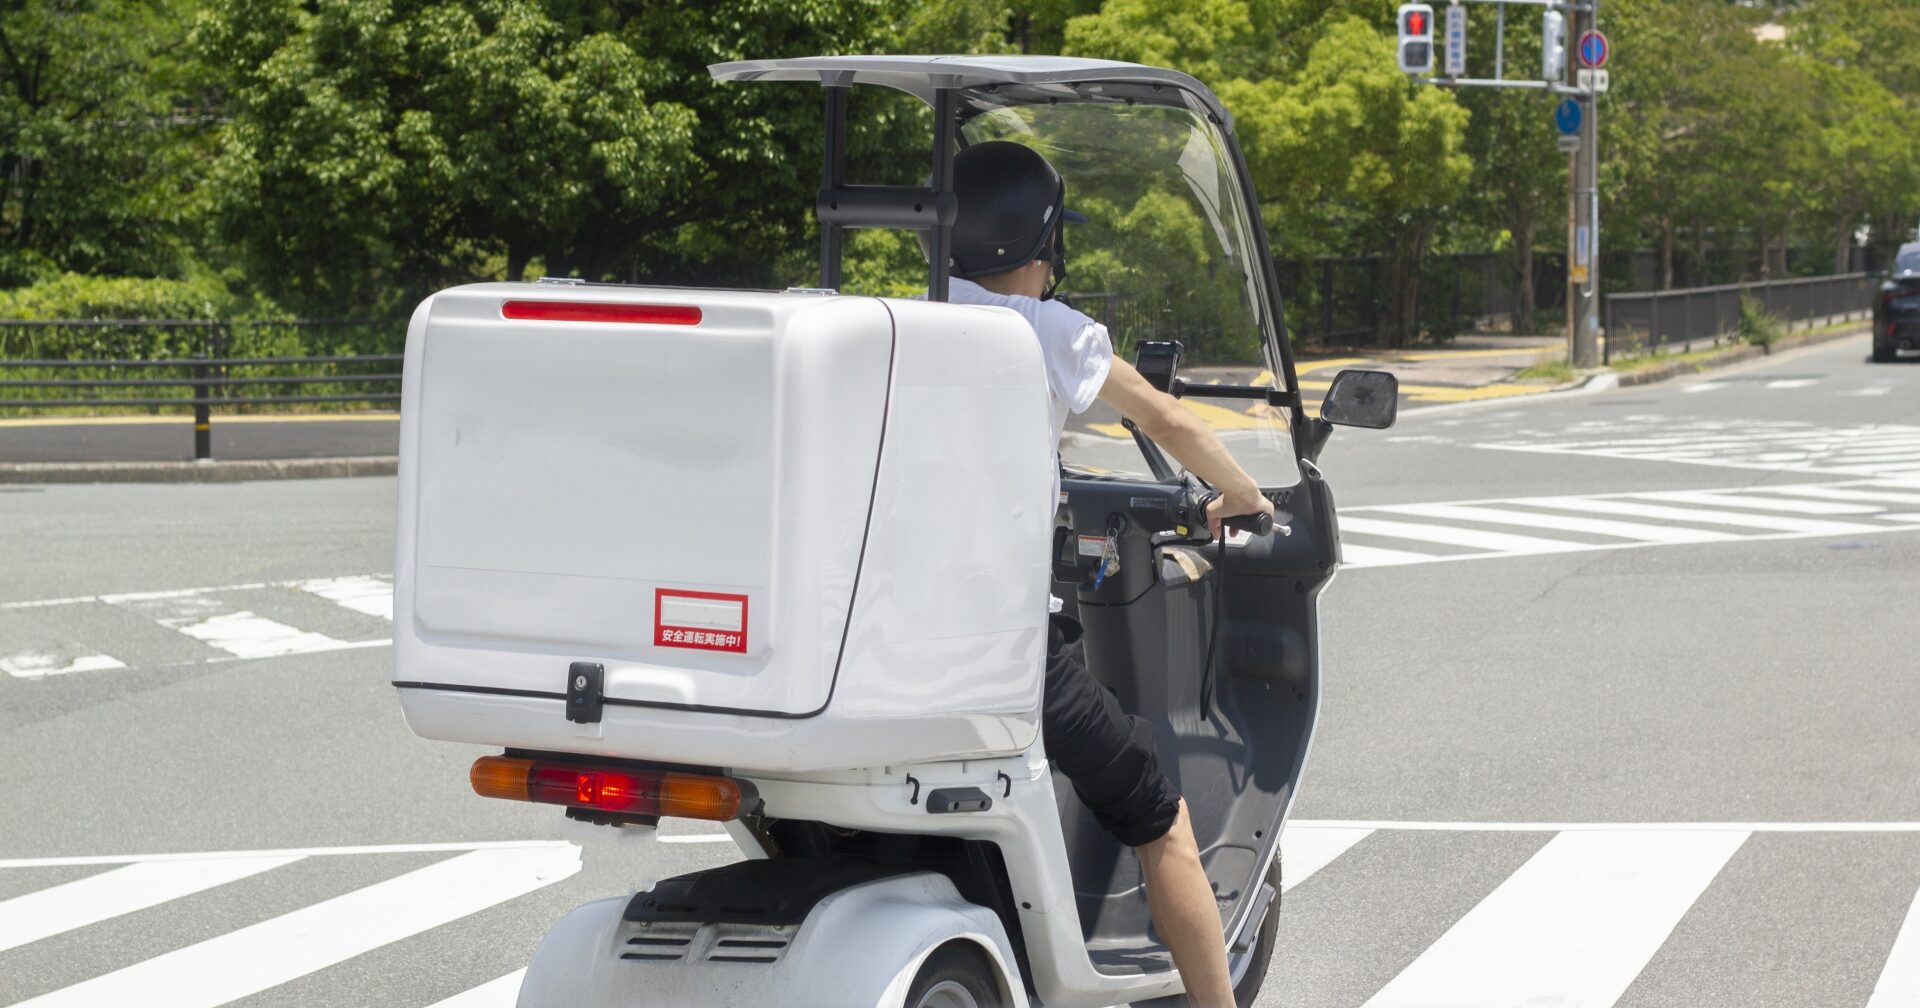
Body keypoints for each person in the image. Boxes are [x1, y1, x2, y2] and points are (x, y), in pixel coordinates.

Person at [933, 140, 1276, 1008]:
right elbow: (1168, 420)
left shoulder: (906, 315)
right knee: (1159, 813)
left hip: (888, 643)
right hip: (1005, 650)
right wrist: (1244, 494)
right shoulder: (1047, 330)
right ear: (1040, 244)